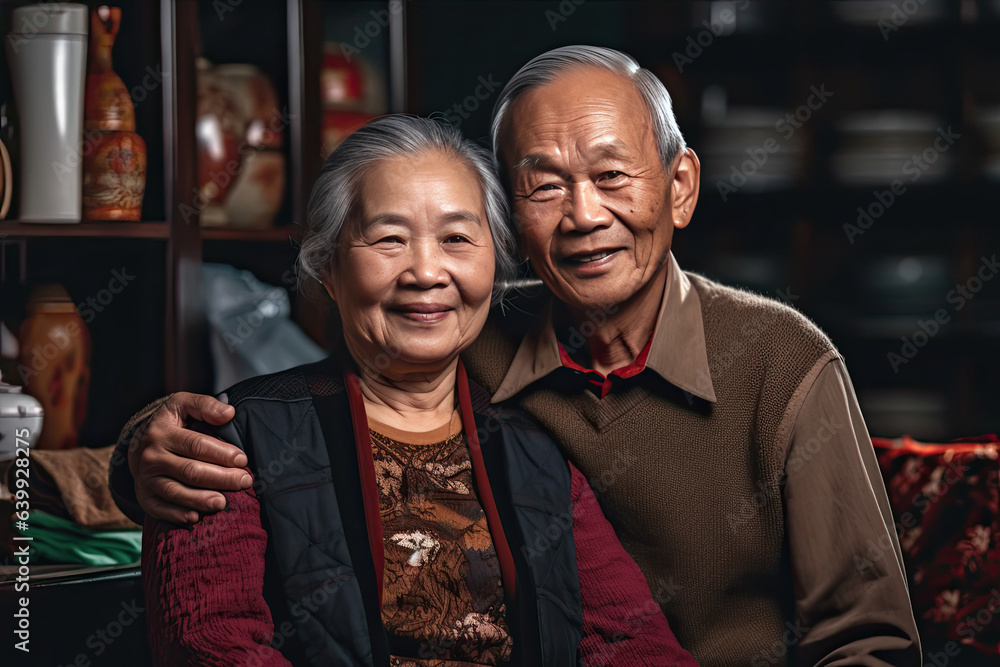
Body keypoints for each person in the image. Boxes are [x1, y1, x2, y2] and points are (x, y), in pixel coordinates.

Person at [111, 47, 921, 665]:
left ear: (679, 188)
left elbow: (864, 640)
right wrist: (139, 449)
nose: (583, 215)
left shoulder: (782, 360)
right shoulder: (456, 334)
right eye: (543, 187)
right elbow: (281, 431)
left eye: (612, 175)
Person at [136, 115, 696, 666]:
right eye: (389, 239)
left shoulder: (536, 449)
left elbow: (634, 645)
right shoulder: (230, 441)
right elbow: (210, 647)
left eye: (456, 238)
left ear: (494, 269)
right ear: (330, 268)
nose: (426, 272)